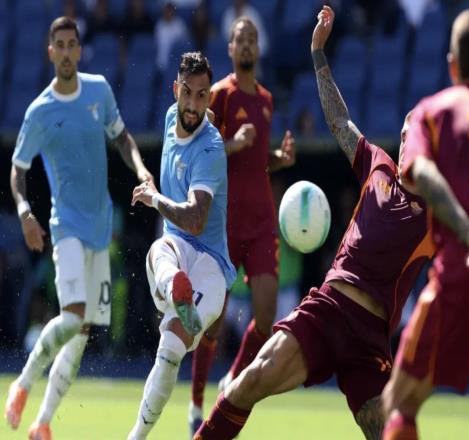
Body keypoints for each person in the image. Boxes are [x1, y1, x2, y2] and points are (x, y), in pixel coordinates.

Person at [193, 6, 434, 439]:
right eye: (402, 132)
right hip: (328, 309)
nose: (404, 140)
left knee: (388, 430)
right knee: (248, 381)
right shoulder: (378, 165)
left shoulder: (436, 211)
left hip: (370, 341)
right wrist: (318, 54)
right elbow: (340, 121)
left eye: (413, 134)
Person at [4, 16, 153, 440]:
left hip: (100, 229)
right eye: (61, 45)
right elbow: (17, 170)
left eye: (73, 44)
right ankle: (22, 383)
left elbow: (122, 137)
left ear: (79, 50)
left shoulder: (98, 90)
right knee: (72, 316)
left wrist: (141, 169)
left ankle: (42, 422)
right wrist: (25, 212)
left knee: (82, 332)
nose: (67, 52)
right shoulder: (40, 111)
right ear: (51, 52)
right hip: (65, 225)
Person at [381, 9, 469, 440]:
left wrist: (468, 231)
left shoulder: (432, 112)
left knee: (399, 403)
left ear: (452, 64)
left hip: (462, 267)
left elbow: (422, 173)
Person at [187, 16, 296, 435]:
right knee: (213, 322)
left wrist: (279, 159)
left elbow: (257, 161)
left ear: (257, 47)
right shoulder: (220, 95)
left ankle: (232, 379)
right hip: (226, 224)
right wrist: (233, 142)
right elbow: (200, 151)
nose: (247, 45)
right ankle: (196, 404)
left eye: (252, 39)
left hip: (262, 221)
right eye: (240, 40)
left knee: (266, 317)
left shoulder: (266, 99)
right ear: (230, 49)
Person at [126, 51, 236, 440]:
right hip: (176, 251)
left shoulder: (211, 148)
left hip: (210, 267)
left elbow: (196, 219)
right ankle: (175, 287)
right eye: (187, 93)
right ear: (175, 90)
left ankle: (177, 292)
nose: (192, 104)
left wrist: (154, 198)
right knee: (160, 249)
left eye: (202, 96)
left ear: (209, 97)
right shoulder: (171, 116)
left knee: (171, 349)